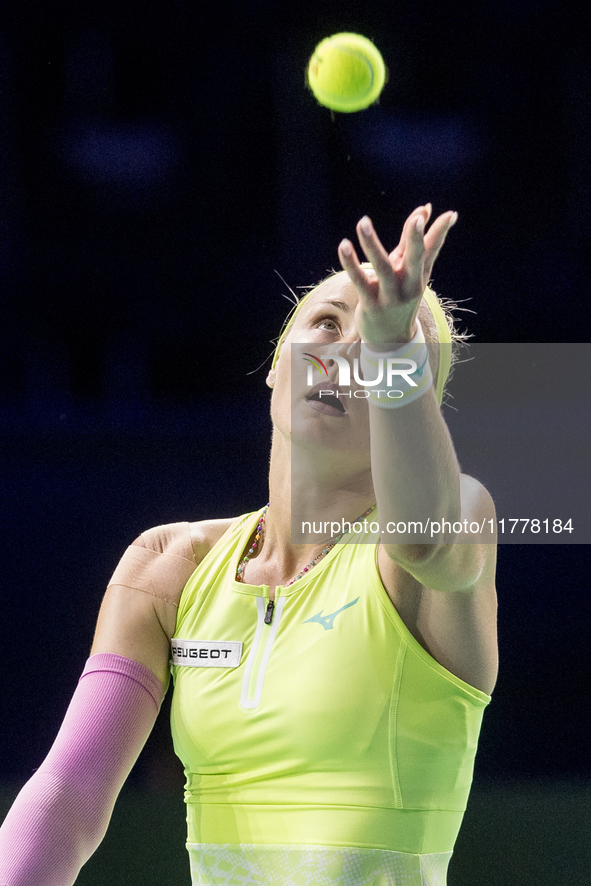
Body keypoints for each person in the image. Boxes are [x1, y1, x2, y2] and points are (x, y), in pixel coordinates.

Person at [0, 204, 498, 886]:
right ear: (273, 370)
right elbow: (68, 794)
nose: (348, 350)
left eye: (388, 339)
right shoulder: (170, 565)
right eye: (326, 322)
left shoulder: (454, 522)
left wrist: (391, 354)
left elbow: (421, 536)